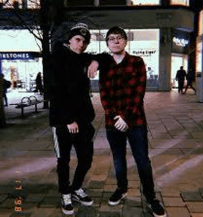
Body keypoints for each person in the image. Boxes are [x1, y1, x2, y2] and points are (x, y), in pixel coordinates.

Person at [89, 26, 166, 217]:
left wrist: (126, 117)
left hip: (135, 121)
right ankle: (121, 189)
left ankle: (150, 198)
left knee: (142, 161)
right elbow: (104, 95)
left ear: (125, 41)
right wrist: (116, 117)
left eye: (119, 38)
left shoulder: (137, 62)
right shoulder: (104, 65)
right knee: (118, 159)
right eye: (112, 38)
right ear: (107, 43)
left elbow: (138, 93)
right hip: (112, 123)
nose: (115, 41)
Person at [49, 23, 97, 215]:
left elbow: (102, 56)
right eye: (78, 40)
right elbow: (54, 92)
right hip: (62, 122)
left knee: (86, 158)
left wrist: (95, 62)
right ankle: (65, 193)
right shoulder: (57, 58)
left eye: (84, 42)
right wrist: (68, 119)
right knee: (64, 160)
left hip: (83, 121)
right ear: (70, 39)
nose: (81, 44)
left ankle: (76, 188)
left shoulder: (82, 58)